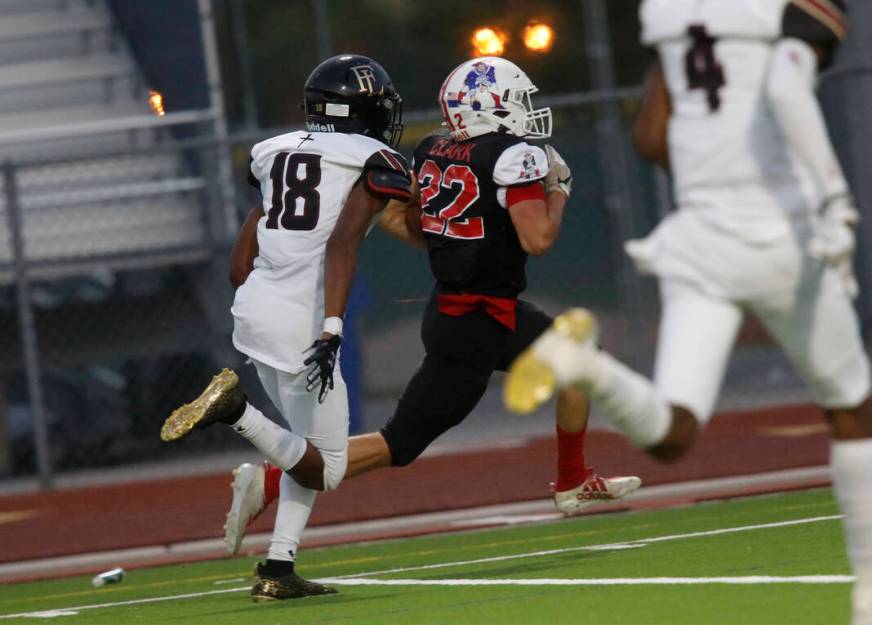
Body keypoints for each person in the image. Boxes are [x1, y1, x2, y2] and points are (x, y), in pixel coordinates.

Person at [503, 1, 872, 625]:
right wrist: (834, 199)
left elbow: (651, 137)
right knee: (849, 409)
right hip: (781, 235)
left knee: (673, 432)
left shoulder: (668, 14)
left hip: (701, 237)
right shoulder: (788, 10)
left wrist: (716, 168)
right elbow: (790, 87)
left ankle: (587, 365)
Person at [164, 56, 641, 583]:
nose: (526, 112)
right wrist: (558, 189)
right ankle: (269, 479)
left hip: (475, 310)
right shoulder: (508, 156)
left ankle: (572, 481)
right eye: (517, 100)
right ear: (492, 105)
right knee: (396, 444)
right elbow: (538, 239)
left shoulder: (432, 150)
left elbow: (412, 225)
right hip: (471, 324)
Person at [161, 53, 418, 601]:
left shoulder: (274, 152)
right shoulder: (374, 158)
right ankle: (236, 412)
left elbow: (238, 264)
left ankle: (278, 569)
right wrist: (331, 329)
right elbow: (341, 243)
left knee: (306, 449)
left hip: (255, 309)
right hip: (302, 320)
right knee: (328, 468)